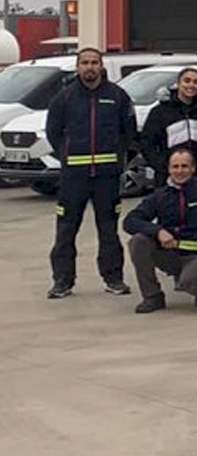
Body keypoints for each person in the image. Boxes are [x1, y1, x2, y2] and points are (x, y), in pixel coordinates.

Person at [45, 47, 137, 299]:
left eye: (94, 62)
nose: (89, 67)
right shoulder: (63, 98)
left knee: (108, 230)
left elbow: (128, 132)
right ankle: (63, 281)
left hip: (107, 177)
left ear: (101, 66)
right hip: (73, 178)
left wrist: (116, 158)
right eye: (85, 62)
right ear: (77, 67)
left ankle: (113, 279)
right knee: (66, 230)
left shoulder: (118, 96)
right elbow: (53, 132)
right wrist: (67, 155)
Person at [123, 148, 197, 313]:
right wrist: (158, 231)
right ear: (169, 169)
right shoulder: (159, 196)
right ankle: (152, 296)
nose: (180, 171)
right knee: (138, 242)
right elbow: (130, 221)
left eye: (185, 166)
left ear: (193, 168)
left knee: (189, 283)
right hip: (170, 254)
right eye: (175, 167)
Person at [140, 67, 197, 186]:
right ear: (178, 84)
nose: (191, 85)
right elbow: (147, 143)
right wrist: (162, 167)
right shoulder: (160, 111)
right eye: (187, 81)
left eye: (195, 82)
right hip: (167, 177)